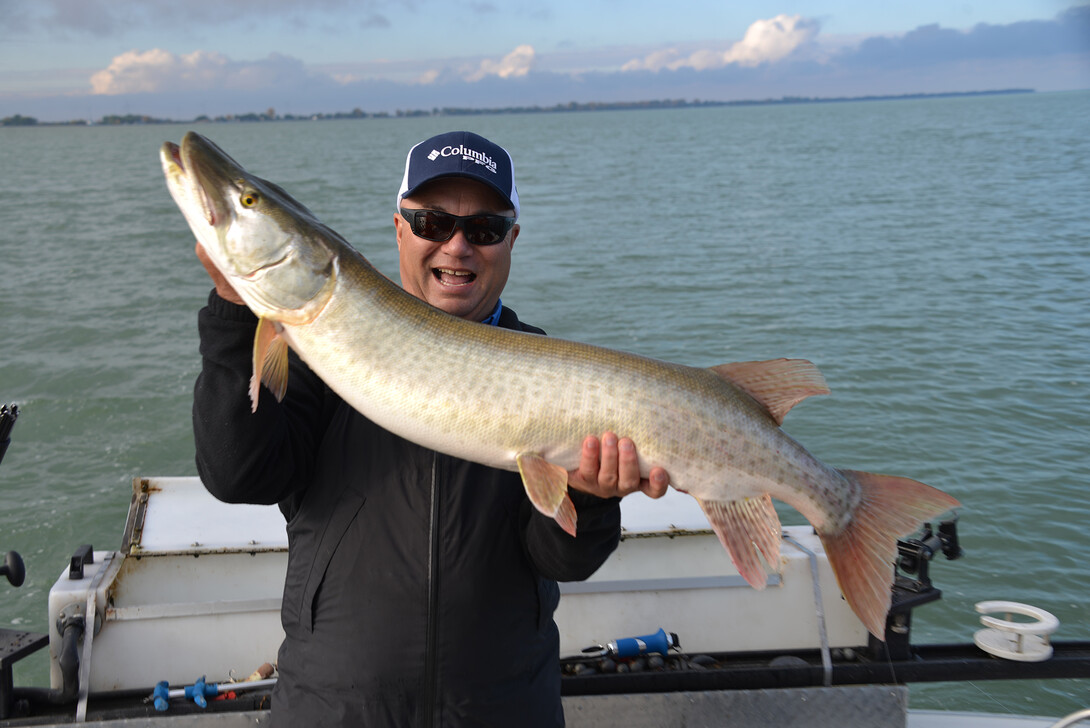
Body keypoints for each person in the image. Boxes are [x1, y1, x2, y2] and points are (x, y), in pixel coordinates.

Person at [192, 130, 669, 727]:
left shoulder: (546, 371)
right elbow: (239, 472)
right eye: (432, 223)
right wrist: (235, 309)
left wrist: (591, 501)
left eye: (485, 230)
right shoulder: (318, 353)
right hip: (331, 711)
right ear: (399, 230)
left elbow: (560, 560)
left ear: (511, 241)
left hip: (502, 712)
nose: (458, 246)